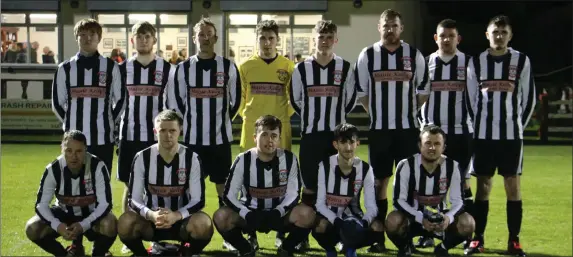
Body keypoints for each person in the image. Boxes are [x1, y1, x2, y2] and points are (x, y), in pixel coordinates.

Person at [354, 9, 430, 252]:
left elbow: (424, 90)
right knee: (379, 182)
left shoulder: (413, 54)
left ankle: (407, 237)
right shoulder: (367, 55)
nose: (390, 30)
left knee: (410, 184)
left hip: (408, 129)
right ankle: (378, 239)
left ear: (401, 28)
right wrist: (379, 114)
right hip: (380, 130)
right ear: (379, 27)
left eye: (394, 26)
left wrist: (406, 113)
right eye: (386, 26)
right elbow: (362, 93)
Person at [464, 15, 535, 257]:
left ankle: (513, 241)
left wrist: (516, 126)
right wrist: (480, 126)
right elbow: (470, 99)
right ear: (487, 35)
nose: (499, 36)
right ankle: (478, 238)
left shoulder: (521, 61)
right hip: (483, 136)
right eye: (495, 32)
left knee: (513, 187)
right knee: (483, 188)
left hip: (511, 137)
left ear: (510, 35)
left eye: (503, 32)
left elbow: (529, 99)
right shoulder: (477, 61)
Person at [289, 19, 357, 251]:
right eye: (321, 37)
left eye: (329, 37)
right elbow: (296, 100)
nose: (325, 41)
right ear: (314, 39)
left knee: (337, 187)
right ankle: (303, 235)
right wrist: (313, 117)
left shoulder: (345, 68)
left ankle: (338, 235)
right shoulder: (301, 68)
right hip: (311, 136)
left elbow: (349, 100)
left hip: (336, 138)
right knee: (309, 187)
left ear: (335, 40)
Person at [213, 115, 315, 257]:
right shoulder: (243, 160)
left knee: (308, 214)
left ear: (279, 139)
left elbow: (294, 193)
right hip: (250, 214)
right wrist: (246, 213)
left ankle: (286, 248)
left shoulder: (290, 159)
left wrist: (278, 211)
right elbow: (229, 195)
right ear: (255, 137)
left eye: (274, 136)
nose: (270, 140)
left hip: (279, 215)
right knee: (221, 216)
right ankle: (246, 249)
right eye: (264, 135)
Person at [118, 110, 213, 257]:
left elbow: (198, 200)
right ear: (155, 131)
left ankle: (187, 252)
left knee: (203, 223)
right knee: (125, 221)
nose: (167, 135)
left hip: (182, 221)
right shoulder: (142, 157)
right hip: (151, 222)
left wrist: (176, 215)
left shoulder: (192, 158)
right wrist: (151, 215)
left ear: (180, 131)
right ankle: (142, 254)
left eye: (172, 130)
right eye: (162, 130)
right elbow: (133, 199)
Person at [168, 17, 241, 209]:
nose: (205, 38)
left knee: (223, 187)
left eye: (209, 35)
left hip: (220, 140)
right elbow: (176, 101)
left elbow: (236, 100)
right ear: (194, 39)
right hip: (193, 140)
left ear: (215, 38)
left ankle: (227, 233)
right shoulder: (183, 68)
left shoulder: (228, 66)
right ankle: (189, 232)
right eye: (201, 34)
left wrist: (222, 120)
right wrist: (187, 123)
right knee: (190, 188)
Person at [236, 19, 296, 246]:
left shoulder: (288, 67)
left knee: (282, 181)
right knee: (248, 180)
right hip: (252, 129)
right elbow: (240, 99)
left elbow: (294, 99)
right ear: (257, 39)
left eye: (271, 38)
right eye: (263, 38)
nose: (267, 42)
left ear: (278, 40)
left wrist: (282, 118)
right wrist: (249, 117)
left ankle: (282, 231)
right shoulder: (245, 66)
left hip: (281, 129)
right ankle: (249, 232)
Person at [416, 19, 475, 249]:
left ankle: (469, 234)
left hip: (461, 133)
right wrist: (423, 126)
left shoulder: (468, 63)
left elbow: (475, 99)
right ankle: (429, 232)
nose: (447, 39)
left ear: (458, 39)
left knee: (464, 183)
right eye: (443, 36)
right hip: (432, 134)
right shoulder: (427, 62)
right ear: (436, 38)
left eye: (451, 36)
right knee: (428, 186)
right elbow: (419, 96)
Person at [116, 20, 173, 254]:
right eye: (139, 36)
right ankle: (128, 236)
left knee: (158, 186)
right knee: (131, 187)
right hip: (129, 136)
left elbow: (172, 103)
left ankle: (159, 237)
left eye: (148, 35)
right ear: (132, 40)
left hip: (156, 139)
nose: (143, 40)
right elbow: (116, 103)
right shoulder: (121, 69)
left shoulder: (168, 69)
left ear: (154, 40)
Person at [385, 125, 475, 257]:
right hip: (413, 218)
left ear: (444, 147)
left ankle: (442, 248)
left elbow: (458, 202)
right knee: (392, 220)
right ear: (420, 145)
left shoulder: (452, 166)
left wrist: (448, 218)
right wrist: (420, 218)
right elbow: (398, 201)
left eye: (437, 144)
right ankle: (405, 247)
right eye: (428, 143)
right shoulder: (405, 165)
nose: (432, 148)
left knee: (468, 223)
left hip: (440, 221)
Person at [24, 130, 116, 257]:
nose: (74, 156)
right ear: (62, 149)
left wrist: (83, 225)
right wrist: (58, 226)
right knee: (32, 228)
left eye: (78, 151)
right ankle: (64, 254)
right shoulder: (53, 169)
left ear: (85, 150)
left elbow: (105, 204)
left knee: (110, 223)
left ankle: (98, 253)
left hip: (91, 215)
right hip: (64, 214)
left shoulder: (97, 166)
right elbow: (41, 205)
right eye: (69, 151)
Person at [51, 18, 126, 172]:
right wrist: (70, 124)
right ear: (76, 37)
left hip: (103, 137)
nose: (88, 38)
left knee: (101, 182)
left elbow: (121, 100)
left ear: (99, 37)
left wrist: (109, 121)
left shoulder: (111, 67)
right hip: (74, 140)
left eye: (92, 34)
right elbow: (57, 103)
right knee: (74, 185)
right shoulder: (65, 68)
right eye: (83, 34)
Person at [312, 123, 384, 257]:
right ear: (335, 145)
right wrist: (337, 221)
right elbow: (320, 204)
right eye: (343, 142)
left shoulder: (365, 169)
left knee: (377, 228)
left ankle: (350, 248)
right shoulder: (325, 166)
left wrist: (363, 222)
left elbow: (372, 206)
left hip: (354, 219)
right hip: (331, 219)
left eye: (351, 142)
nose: (348, 147)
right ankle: (330, 250)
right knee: (319, 226)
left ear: (358, 143)